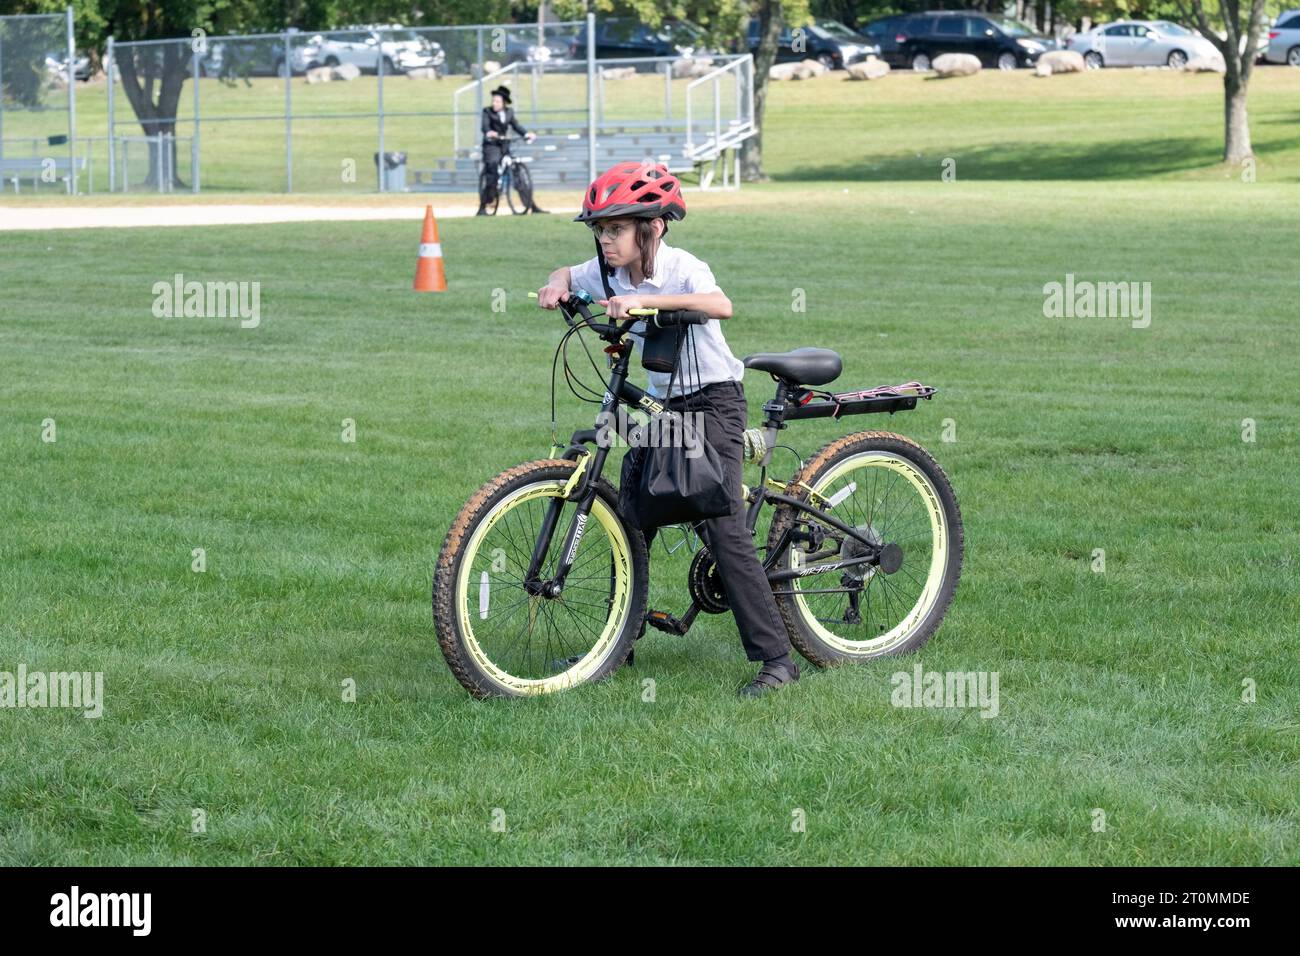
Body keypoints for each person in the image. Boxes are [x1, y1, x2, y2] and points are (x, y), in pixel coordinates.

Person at [535, 161, 800, 697]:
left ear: (651, 228)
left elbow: (718, 305)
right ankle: (619, 641)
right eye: (600, 231)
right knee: (634, 515)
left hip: (713, 403)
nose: (605, 241)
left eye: (615, 229)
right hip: (663, 408)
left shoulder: (681, 266)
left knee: (723, 525)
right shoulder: (608, 269)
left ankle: (778, 660)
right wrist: (555, 285)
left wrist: (648, 301)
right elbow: (567, 270)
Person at [477, 85, 546, 215]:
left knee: (519, 175)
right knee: (492, 170)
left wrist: (526, 134)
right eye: (493, 100)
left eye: (497, 101)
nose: (494, 103)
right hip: (491, 146)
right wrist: (489, 132)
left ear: (504, 102)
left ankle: (530, 206)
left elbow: (516, 126)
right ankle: (483, 207)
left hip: (504, 145)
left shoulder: (509, 112)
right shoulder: (487, 112)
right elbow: (484, 127)